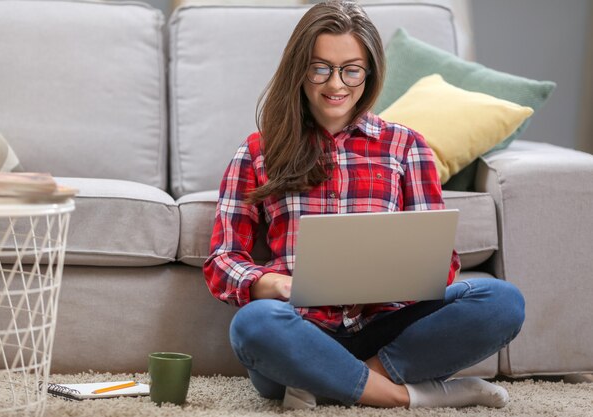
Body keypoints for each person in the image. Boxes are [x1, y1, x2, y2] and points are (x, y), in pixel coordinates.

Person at [203, 0, 525, 410]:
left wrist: (393, 277)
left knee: (502, 301)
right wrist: (272, 284)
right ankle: (409, 396)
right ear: (299, 69)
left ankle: (330, 383)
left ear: (369, 73)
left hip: (388, 326)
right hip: (301, 329)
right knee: (252, 324)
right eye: (320, 67)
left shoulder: (407, 146)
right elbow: (223, 259)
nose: (336, 84)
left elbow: (442, 263)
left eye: (351, 69)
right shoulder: (256, 151)